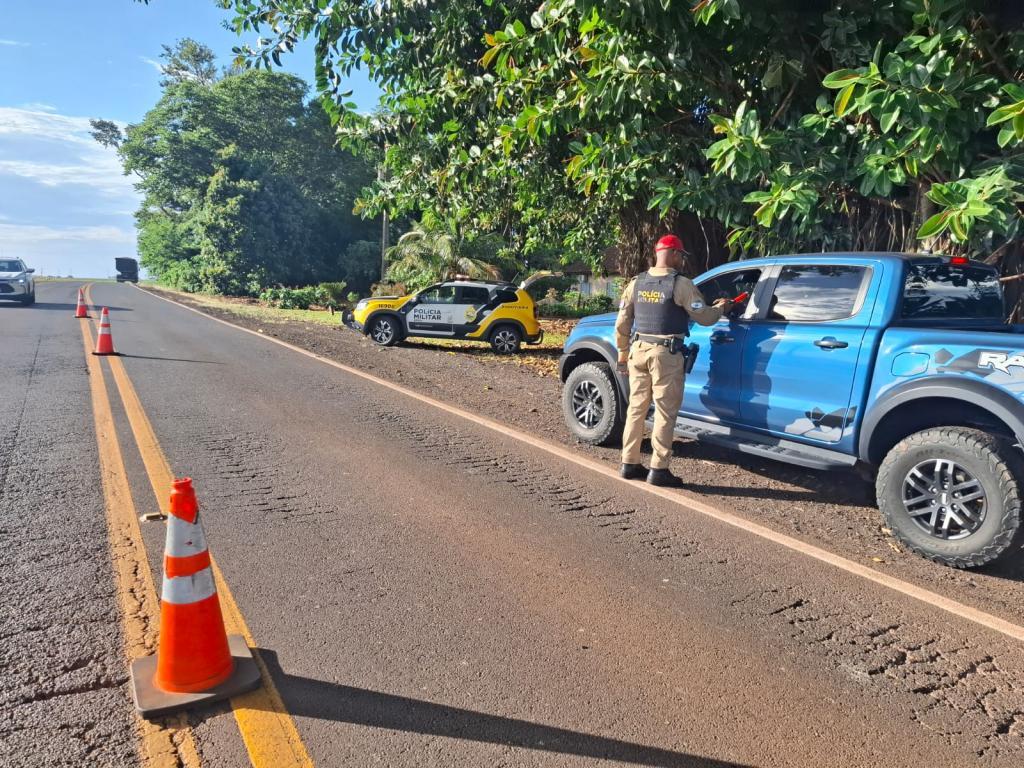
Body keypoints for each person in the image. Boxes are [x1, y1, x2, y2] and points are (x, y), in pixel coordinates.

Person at [615, 234, 731, 486]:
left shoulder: (637, 283)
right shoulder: (680, 284)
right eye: (682, 256)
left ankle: (629, 462)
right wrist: (722, 307)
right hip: (664, 356)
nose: (683, 261)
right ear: (675, 254)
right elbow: (706, 318)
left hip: (638, 351)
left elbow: (622, 321)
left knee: (636, 409)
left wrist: (622, 353)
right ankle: (658, 469)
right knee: (665, 413)